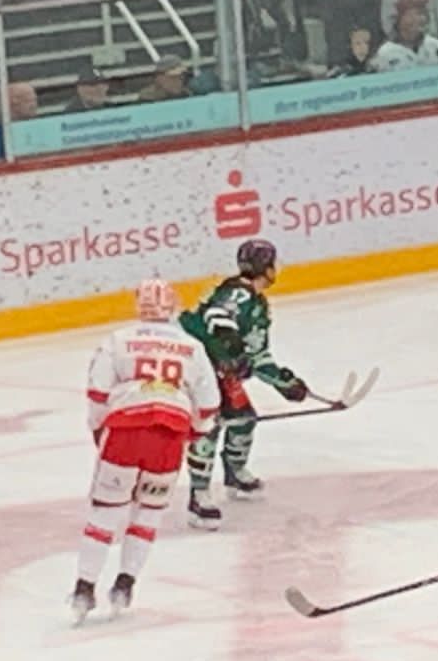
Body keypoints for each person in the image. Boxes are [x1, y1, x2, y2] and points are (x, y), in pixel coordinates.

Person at [70, 279, 221, 623]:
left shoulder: (117, 340)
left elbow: (97, 394)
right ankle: (124, 585)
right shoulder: (192, 347)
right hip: (170, 434)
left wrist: (100, 431)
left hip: (124, 430)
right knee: (148, 512)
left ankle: (84, 589)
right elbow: (209, 405)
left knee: (105, 512)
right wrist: (194, 432)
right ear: (173, 306)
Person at [177, 238, 313, 527]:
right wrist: (231, 344)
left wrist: (283, 382)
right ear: (267, 268)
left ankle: (234, 474)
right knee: (208, 426)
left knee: (242, 418)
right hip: (197, 366)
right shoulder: (239, 292)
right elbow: (216, 316)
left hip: (216, 369)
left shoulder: (257, 304)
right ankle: (199, 496)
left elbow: (257, 356)